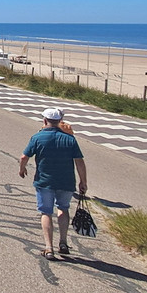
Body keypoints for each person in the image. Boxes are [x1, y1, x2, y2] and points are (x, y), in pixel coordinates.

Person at [18, 107, 87, 260]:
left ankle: (49, 248)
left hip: (44, 181)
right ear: (59, 122)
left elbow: (24, 157)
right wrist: (83, 181)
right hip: (66, 181)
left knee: (46, 212)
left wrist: (22, 170)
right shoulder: (70, 139)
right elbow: (80, 162)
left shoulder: (37, 137)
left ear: (44, 120)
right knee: (63, 209)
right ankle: (63, 242)